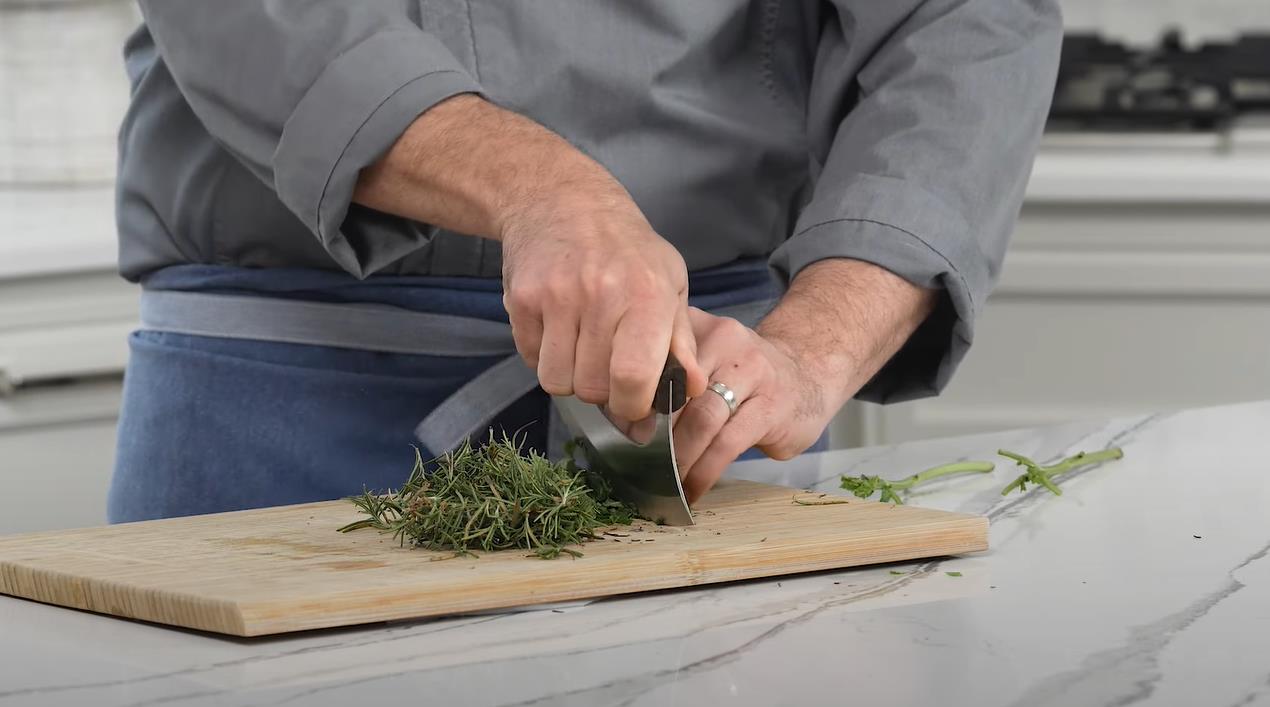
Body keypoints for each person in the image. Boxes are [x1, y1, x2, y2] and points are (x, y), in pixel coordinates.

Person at [107, 1, 1062, 522]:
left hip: (699, 413)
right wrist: (541, 188)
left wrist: (817, 345)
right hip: (279, 410)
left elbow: (965, 24)